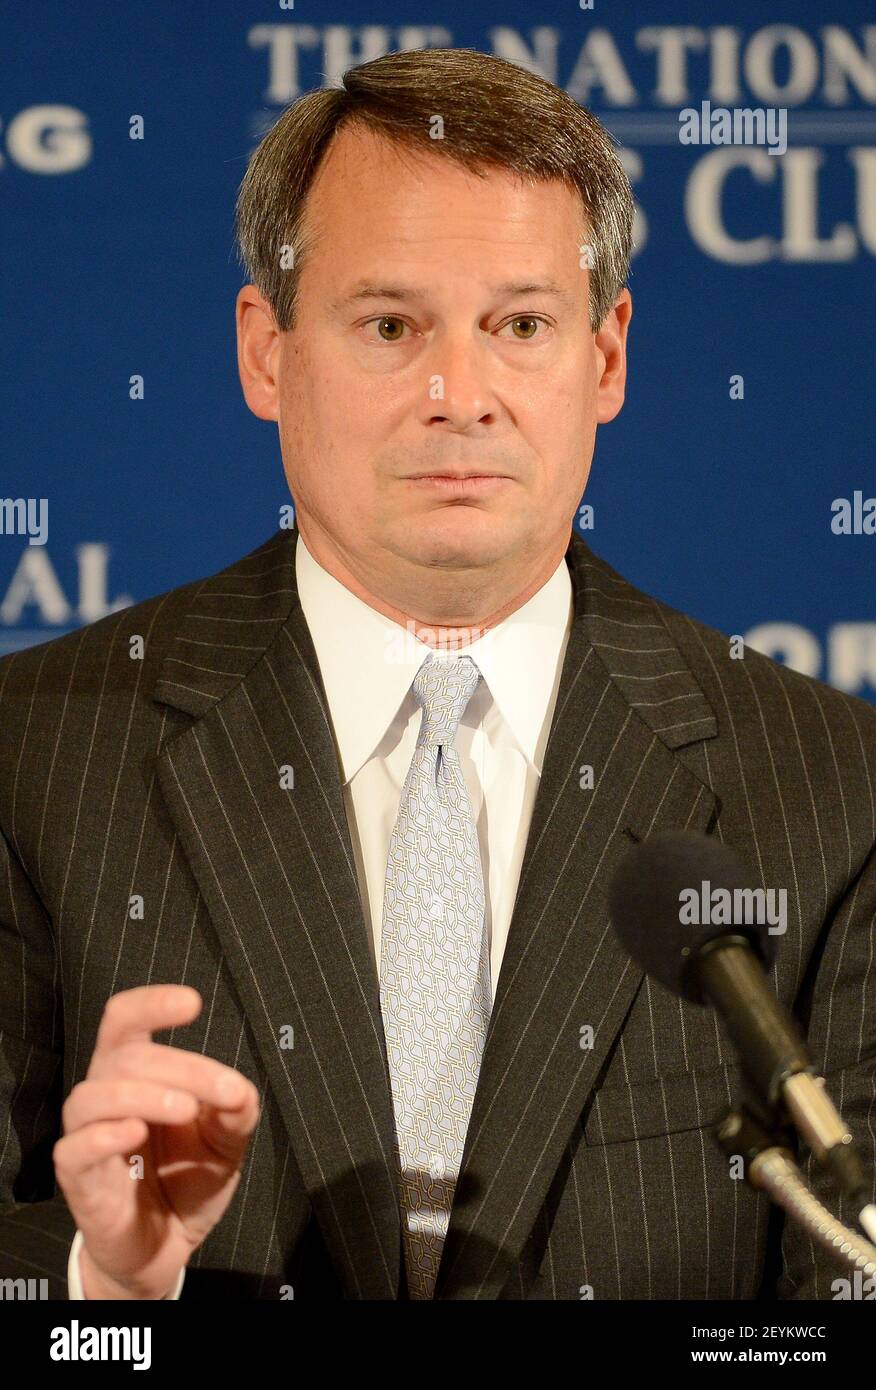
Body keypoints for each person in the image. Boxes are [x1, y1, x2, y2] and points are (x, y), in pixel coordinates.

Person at [0, 46, 874, 1302]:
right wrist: (102, 1286)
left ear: (608, 356)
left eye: (520, 324)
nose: (459, 394)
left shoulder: (837, 795)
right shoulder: (34, 761)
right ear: (267, 350)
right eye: (391, 325)